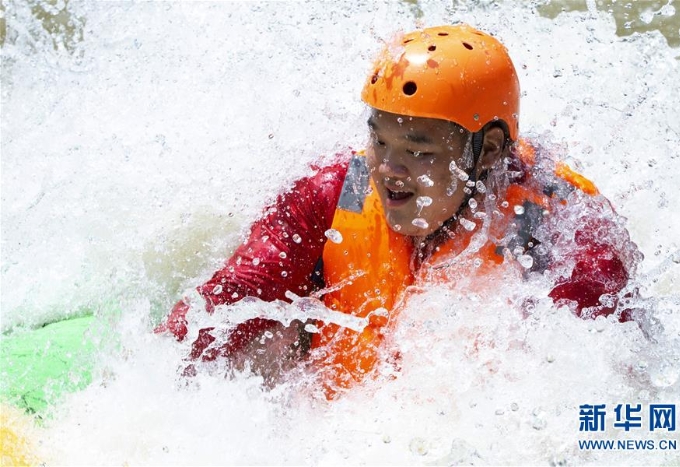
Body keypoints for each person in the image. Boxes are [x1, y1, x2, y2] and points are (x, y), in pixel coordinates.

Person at [155, 24, 640, 397]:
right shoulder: (336, 192)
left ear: (489, 150)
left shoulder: (564, 237)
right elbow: (231, 298)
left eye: (419, 150)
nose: (387, 170)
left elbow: (610, 386)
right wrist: (147, 373)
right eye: (379, 139)